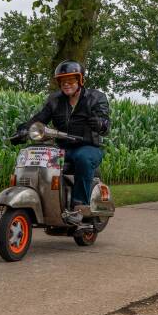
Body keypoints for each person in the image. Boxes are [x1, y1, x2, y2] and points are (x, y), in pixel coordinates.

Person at [18, 60, 110, 224]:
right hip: (62, 149)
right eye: (62, 81)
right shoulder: (54, 100)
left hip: (88, 146)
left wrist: (100, 123)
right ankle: (46, 203)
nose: (66, 84)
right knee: (37, 158)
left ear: (80, 80)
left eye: (71, 80)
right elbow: (40, 119)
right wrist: (24, 129)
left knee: (83, 158)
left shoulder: (96, 98)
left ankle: (79, 206)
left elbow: (105, 123)